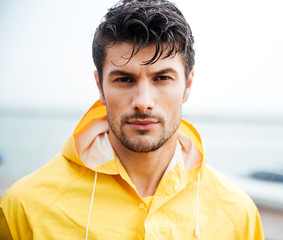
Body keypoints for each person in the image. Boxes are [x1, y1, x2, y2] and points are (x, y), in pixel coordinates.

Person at [0, 0, 264, 239]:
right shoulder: (24, 208)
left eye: (162, 78)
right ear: (100, 86)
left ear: (188, 85)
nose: (143, 101)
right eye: (124, 79)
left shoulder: (236, 213)